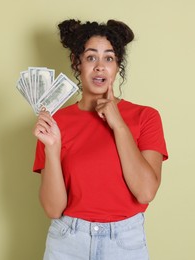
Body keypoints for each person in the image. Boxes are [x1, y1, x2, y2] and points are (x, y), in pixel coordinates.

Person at [32, 19, 168, 260]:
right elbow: (53, 209)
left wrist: (118, 124)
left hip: (124, 243)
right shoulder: (55, 123)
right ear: (77, 63)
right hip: (67, 242)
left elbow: (146, 192)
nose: (100, 67)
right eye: (91, 57)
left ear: (117, 67)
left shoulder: (145, 117)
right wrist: (52, 148)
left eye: (109, 58)